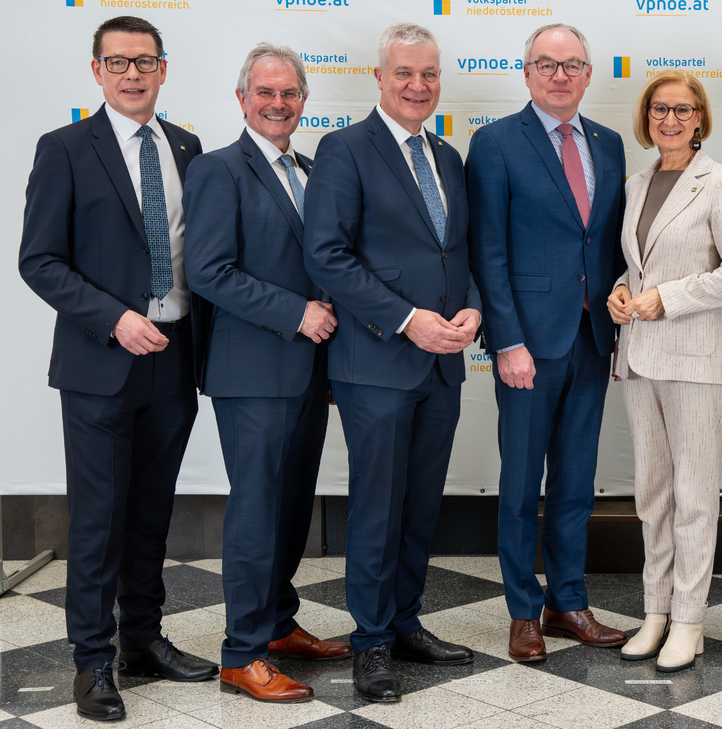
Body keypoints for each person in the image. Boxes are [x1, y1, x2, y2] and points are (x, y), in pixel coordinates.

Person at [17, 15, 217, 721]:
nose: (133, 73)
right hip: (101, 364)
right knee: (99, 519)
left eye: (144, 61)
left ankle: (142, 639)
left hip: (175, 358)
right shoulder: (66, 148)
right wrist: (114, 318)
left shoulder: (188, 147)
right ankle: (92, 662)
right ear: (97, 71)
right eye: (119, 62)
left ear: (163, 69)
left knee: (151, 512)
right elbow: (39, 260)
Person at [302, 22, 477, 703]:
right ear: (378, 77)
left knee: (420, 503)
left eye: (429, 73)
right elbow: (327, 255)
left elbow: (458, 252)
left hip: (442, 364)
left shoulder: (448, 155)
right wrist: (408, 319)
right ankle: (370, 640)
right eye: (404, 72)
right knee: (377, 506)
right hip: (377, 361)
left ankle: (405, 622)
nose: (417, 85)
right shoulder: (344, 149)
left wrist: (474, 310)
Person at [183, 43, 352, 704]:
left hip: (310, 369)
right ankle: (241, 652)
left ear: (303, 100)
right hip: (252, 371)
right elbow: (209, 271)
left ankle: (278, 625)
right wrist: (296, 313)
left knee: (290, 506)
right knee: (257, 510)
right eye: (266, 92)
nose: (278, 104)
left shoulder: (309, 170)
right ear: (242, 99)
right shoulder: (217, 170)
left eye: (289, 93)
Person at [466, 23, 628, 662]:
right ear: (527, 72)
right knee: (519, 484)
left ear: (589, 73)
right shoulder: (495, 142)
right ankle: (522, 612)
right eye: (546, 64)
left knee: (576, 482)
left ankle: (568, 602)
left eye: (572, 65)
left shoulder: (609, 143)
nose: (560, 75)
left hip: (592, 338)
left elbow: (608, 243)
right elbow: (488, 250)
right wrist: (506, 340)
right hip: (527, 346)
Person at [609, 71, 722, 672]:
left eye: (682, 110)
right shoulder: (637, 182)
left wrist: (666, 299)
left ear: (700, 118)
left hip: (696, 361)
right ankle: (656, 612)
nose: (669, 120)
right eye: (659, 109)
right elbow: (639, 265)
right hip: (639, 356)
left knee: (695, 497)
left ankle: (689, 620)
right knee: (653, 494)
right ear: (646, 117)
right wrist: (622, 291)